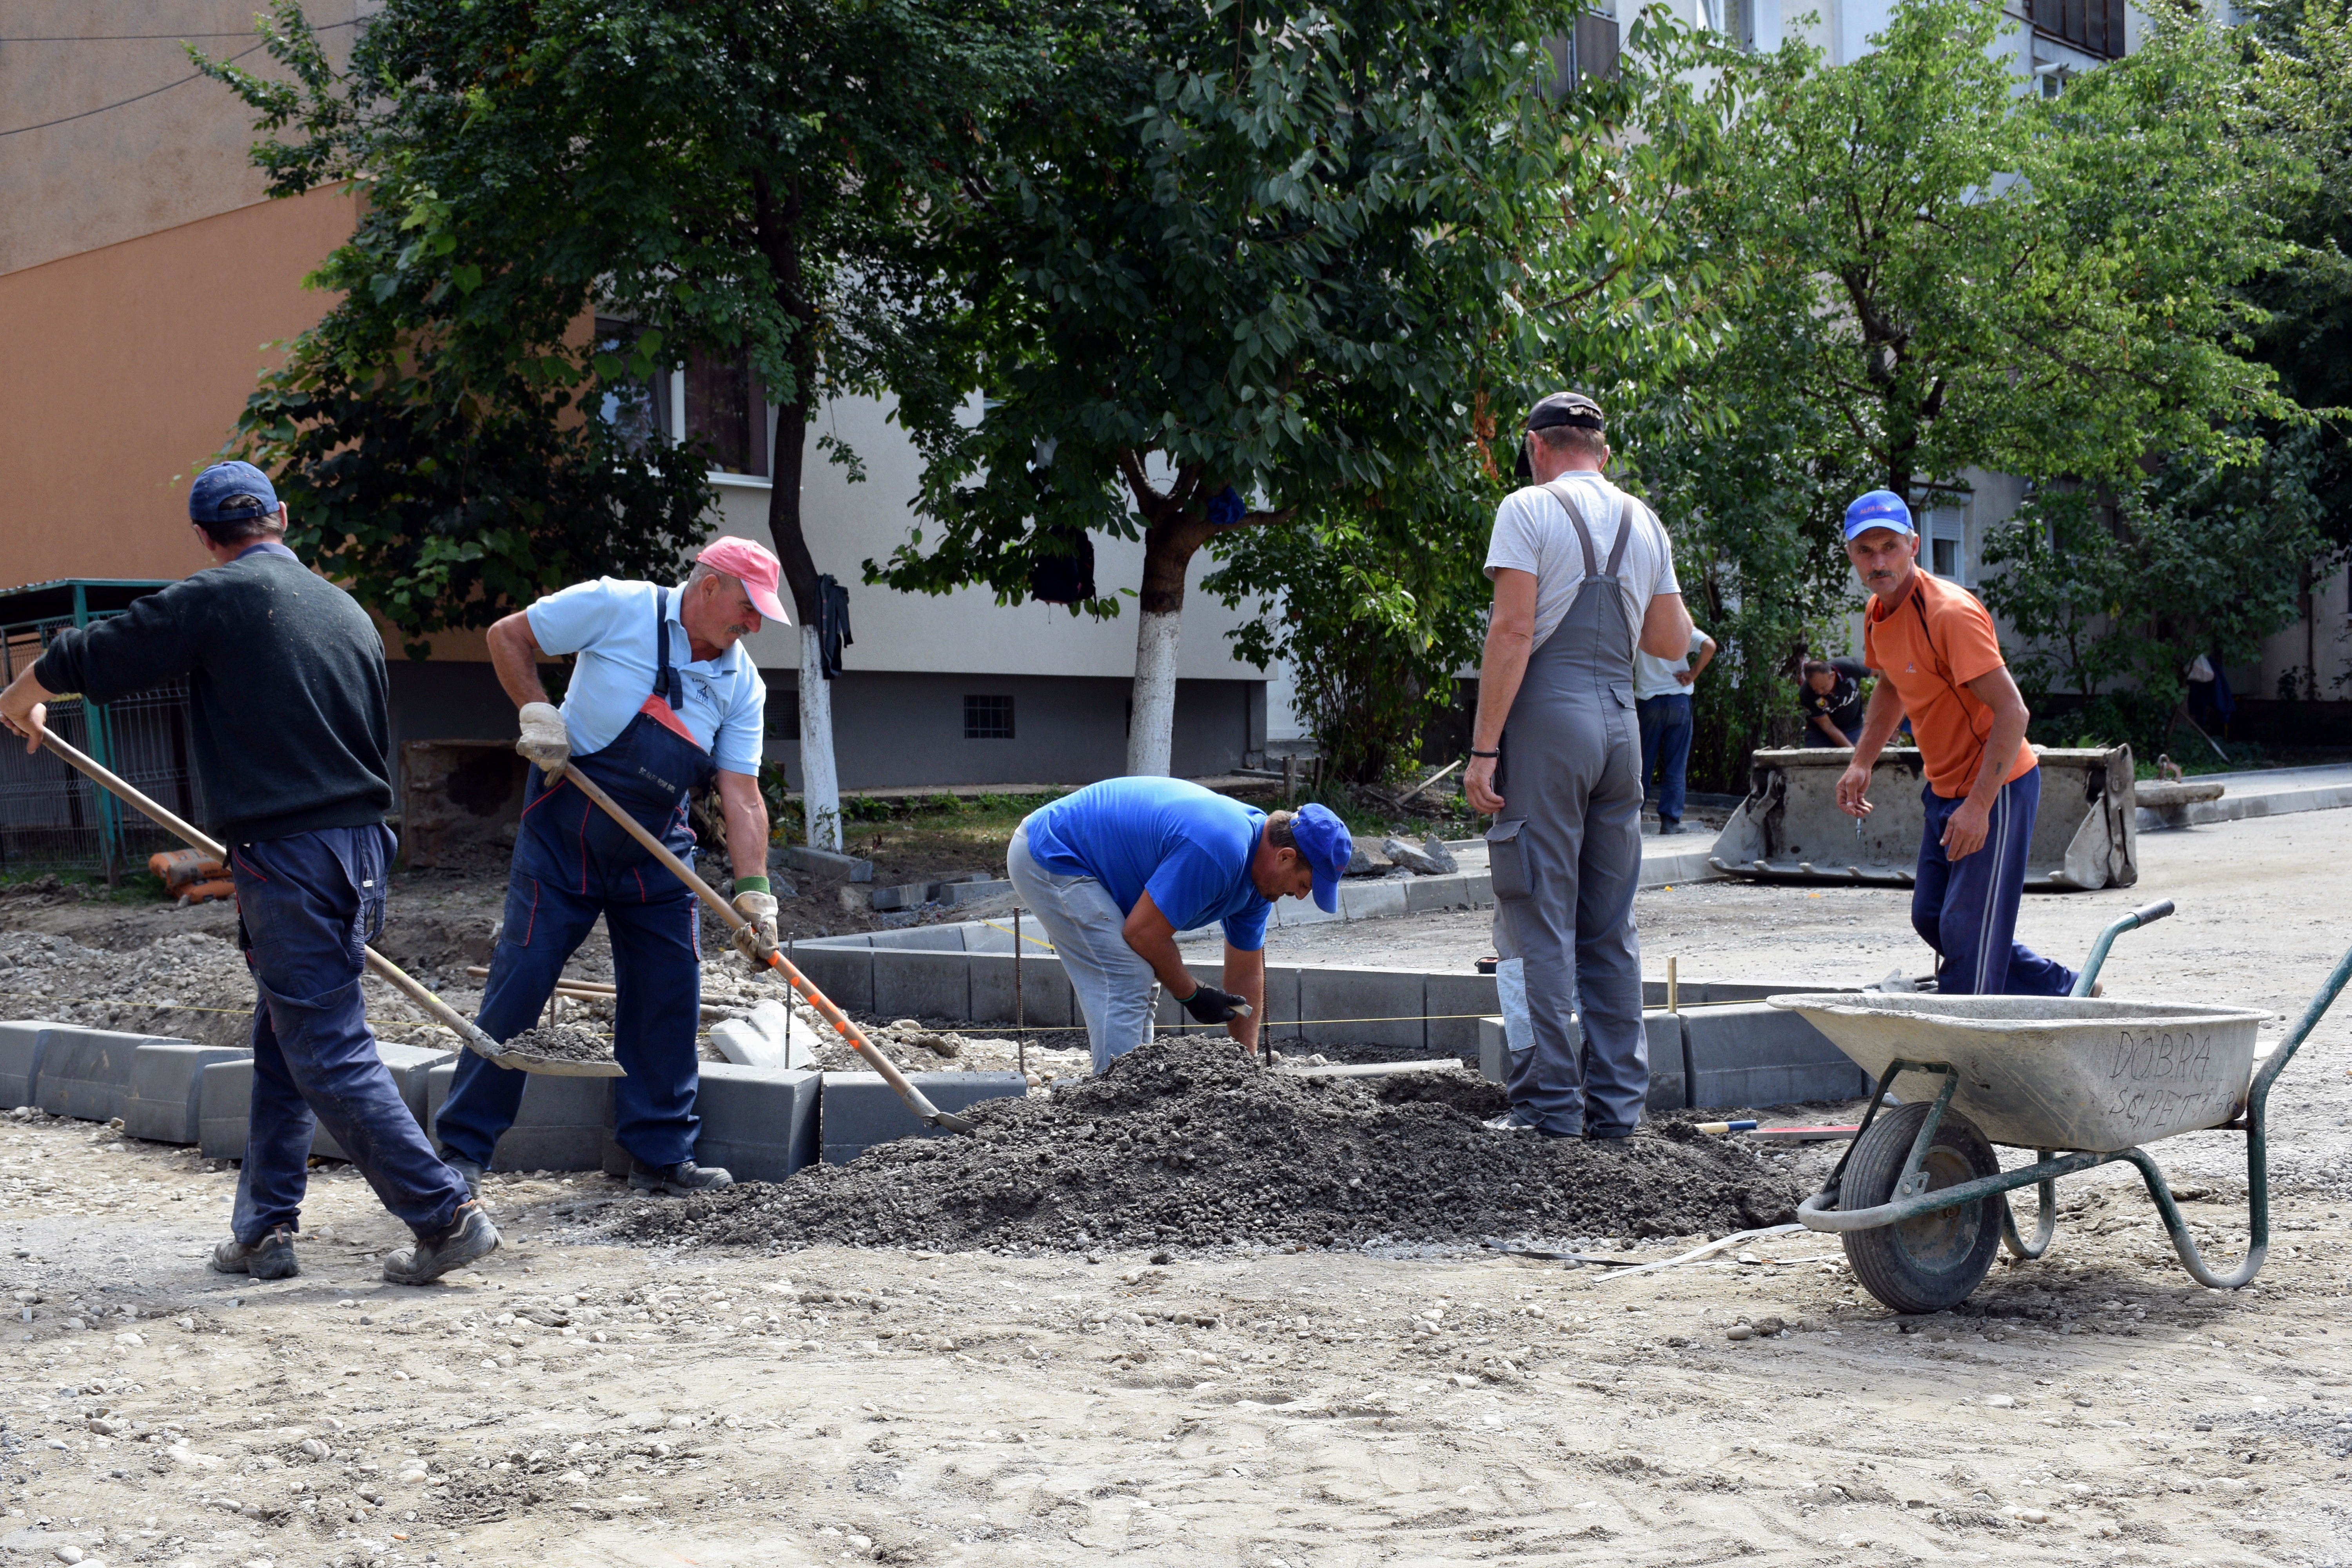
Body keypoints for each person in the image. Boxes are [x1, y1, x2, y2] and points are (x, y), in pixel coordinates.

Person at [0, 462, 494, 1284]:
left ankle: (445, 1214)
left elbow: (97, 651)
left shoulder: (220, 596)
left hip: (292, 856)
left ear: (204, 537)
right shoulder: (344, 609)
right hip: (362, 849)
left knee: (325, 1049)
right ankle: (265, 1229)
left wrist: (21, 695)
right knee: (286, 1038)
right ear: (282, 517)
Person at [434, 538, 788, 1197]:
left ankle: (660, 1153)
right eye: (748, 608)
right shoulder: (617, 606)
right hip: (565, 831)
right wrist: (537, 711)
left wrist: (754, 894)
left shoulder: (742, 684)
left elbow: (741, 795)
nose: (754, 626)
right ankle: (463, 1151)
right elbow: (509, 636)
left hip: (656, 850)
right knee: (522, 981)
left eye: (761, 615)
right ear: (709, 586)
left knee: (669, 991)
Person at [1463, 392, 1695, 1139]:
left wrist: (1484, 751)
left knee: (1532, 923)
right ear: (1604, 452)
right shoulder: (1644, 520)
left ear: (1536, 447)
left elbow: (1512, 631)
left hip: (1547, 729)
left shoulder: (1526, 509)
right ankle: (1618, 1112)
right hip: (1620, 730)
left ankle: (1546, 1109)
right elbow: (1672, 642)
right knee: (1609, 927)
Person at [1833, 490, 2077, 996]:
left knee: (1967, 931)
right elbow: (1891, 685)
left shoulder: (1949, 614)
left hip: (1997, 786)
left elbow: (2013, 712)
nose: (1879, 562)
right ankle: (2062, 989)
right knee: (1932, 917)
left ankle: (1965, 1035)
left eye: (1890, 547)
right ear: (1851, 555)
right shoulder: (1878, 611)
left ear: (1913, 545)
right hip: (1944, 786)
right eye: (1865, 551)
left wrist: (1979, 806)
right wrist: (1861, 762)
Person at [1004, 779, 1352, 1073]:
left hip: (1086, 862)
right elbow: (1142, 934)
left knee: (1141, 977)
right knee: (1125, 976)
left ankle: (1133, 1092)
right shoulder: (1222, 849)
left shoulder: (1262, 883)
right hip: (1053, 852)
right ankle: (1115, 1108)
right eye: (1304, 885)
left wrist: (1245, 1071)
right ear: (1285, 857)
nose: (1301, 896)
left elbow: (1246, 973)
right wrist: (1192, 994)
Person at [1634, 624, 1714, 834]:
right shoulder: (1680, 625)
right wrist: (1693, 674)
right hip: (1679, 701)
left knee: (1642, 764)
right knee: (1676, 763)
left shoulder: (1640, 624)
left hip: (1649, 702)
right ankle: (1670, 821)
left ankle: (1633, 818)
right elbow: (1709, 646)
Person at [1800, 656, 1869, 747]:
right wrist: (1851, 751)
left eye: (1823, 687)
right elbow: (1828, 727)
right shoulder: (1807, 694)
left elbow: (1880, 670)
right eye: (1816, 690)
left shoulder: (1850, 668)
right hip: (1820, 734)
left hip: (1854, 727)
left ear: (1833, 676)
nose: (1820, 692)